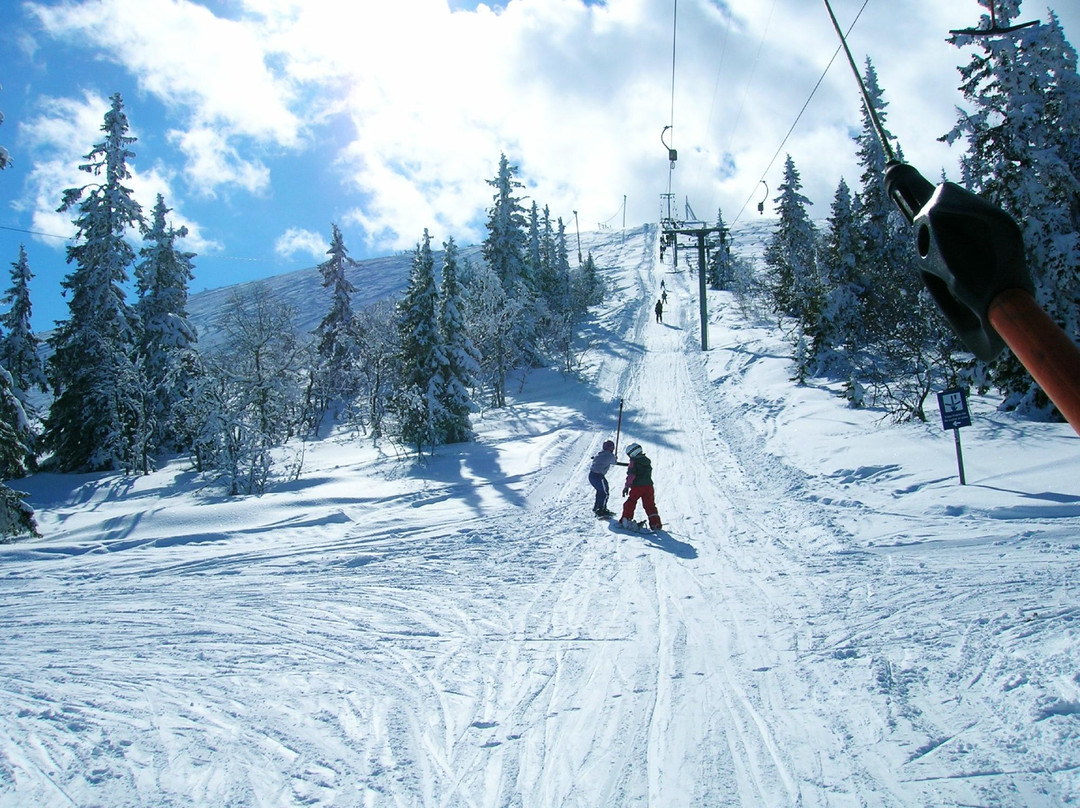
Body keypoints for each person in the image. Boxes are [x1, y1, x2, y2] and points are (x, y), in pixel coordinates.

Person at [619, 442, 662, 530]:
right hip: (649, 486)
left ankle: (626, 520)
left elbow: (631, 475)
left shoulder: (633, 461)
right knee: (650, 505)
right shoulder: (646, 460)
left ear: (632, 453)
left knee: (630, 502)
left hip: (638, 487)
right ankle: (656, 523)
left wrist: (627, 486)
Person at [588, 440, 620, 517]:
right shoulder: (610, 455)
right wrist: (615, 457)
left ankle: (597, 508)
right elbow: (614, 462)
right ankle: (601, 510)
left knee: (600, 491)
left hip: (591, 475)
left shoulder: (600, 453)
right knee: (605, 492)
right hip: (598, 476)